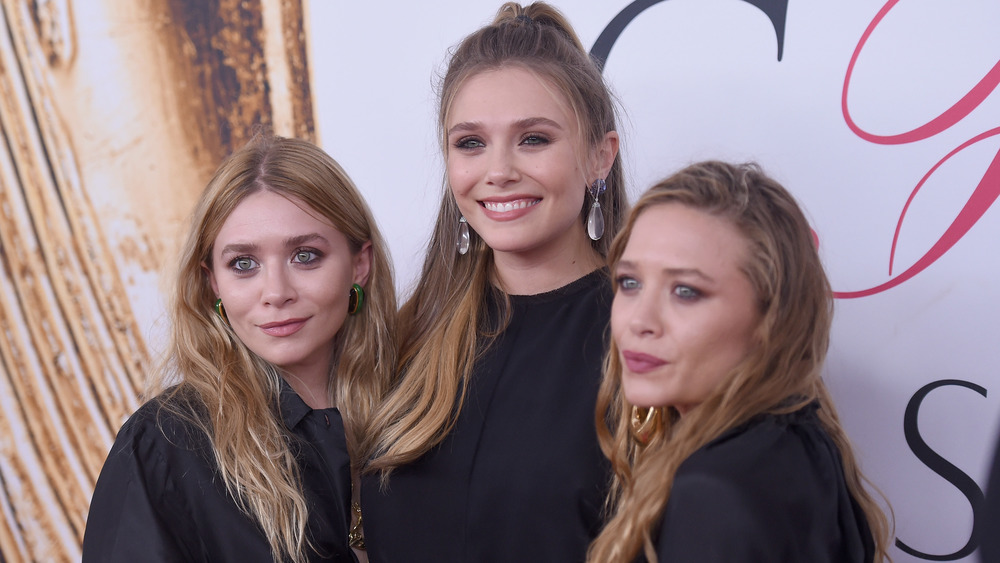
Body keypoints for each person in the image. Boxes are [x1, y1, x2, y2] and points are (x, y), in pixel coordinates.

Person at [359, 3, 625, 561]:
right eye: (471, 143)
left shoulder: (647, 337)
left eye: (533, 139)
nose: (498, 170)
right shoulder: (406, 337)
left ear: (601, 155)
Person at [82, 134, 396, 562]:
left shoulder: (417, 410)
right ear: (213, 281)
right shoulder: (163, 446)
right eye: (243, 264)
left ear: (360, 264)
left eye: (305, 255)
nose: (276, 293)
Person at [587, 161, 892, 562]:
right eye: (630, 283)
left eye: (686, 291)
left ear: (771, 318)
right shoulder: (802, 441)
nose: (640, 321)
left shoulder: (715, 493)